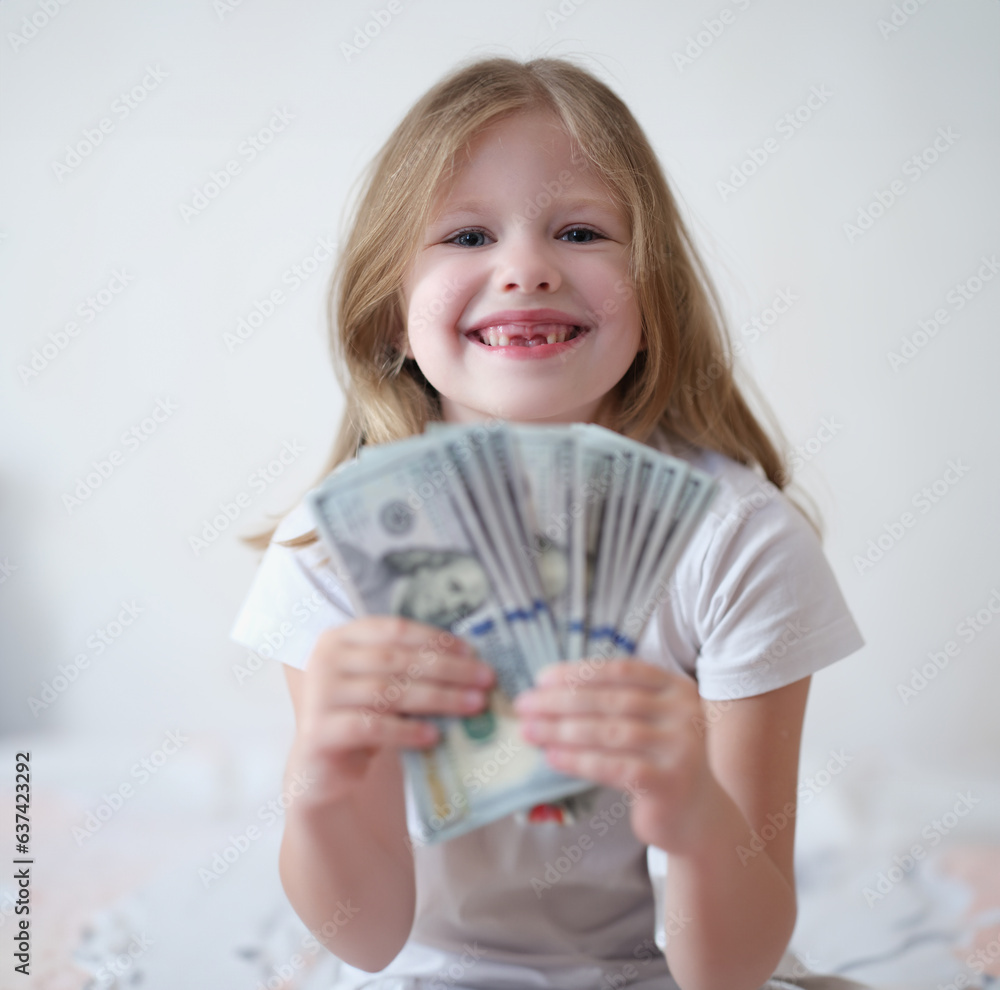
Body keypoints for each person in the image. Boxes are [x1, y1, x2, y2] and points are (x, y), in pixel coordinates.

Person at [230, 56, 872, 990]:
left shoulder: (738, 544)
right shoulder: (336, 548)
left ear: (654, 302)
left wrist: (691, 807)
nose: (525, 268)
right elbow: (364, 938)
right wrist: (320, 787)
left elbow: (730, 968)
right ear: (391, 318)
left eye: (579, 231)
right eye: (466, 234)